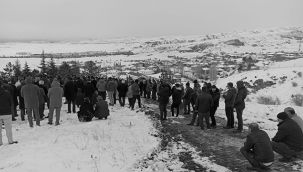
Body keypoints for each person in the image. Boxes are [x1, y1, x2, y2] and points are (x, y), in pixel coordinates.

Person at [0, 80, 18, 145]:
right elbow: (11, 103)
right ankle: (10, 141)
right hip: (7, 112)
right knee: (8, 128)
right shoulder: (7, 93)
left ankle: (0, 143)